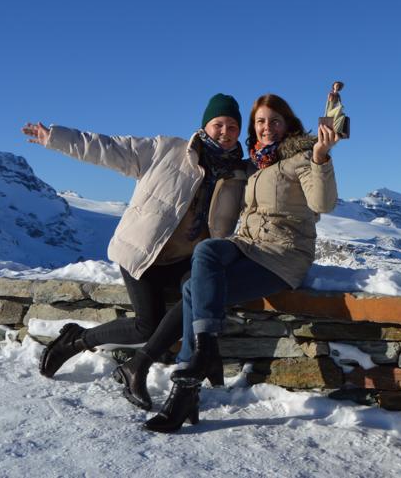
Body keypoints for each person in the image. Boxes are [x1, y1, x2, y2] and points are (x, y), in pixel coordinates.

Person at [20, 93, 250, 411]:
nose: (225, 131)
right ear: (204, 127)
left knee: (199, 296)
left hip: (185, 259)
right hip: (142, 252)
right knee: (147, 325)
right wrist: (56, 137)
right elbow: (109, 148)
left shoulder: (239, 176)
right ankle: (76, 340)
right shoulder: (167, 150)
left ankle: (162, 366)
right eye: (218, 124)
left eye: (233, 126)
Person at [144, 93, 339, 432]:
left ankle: (184, 392)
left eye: (274, 121)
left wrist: (321, 157)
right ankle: (203, 355)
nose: (267, 127)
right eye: (261, 121)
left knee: (193, 289)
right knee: (206, 254)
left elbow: (323, 203)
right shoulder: (255, 164)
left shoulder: (303, 159)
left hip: (283, 255)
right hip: (248, 246)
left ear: (287, 125)